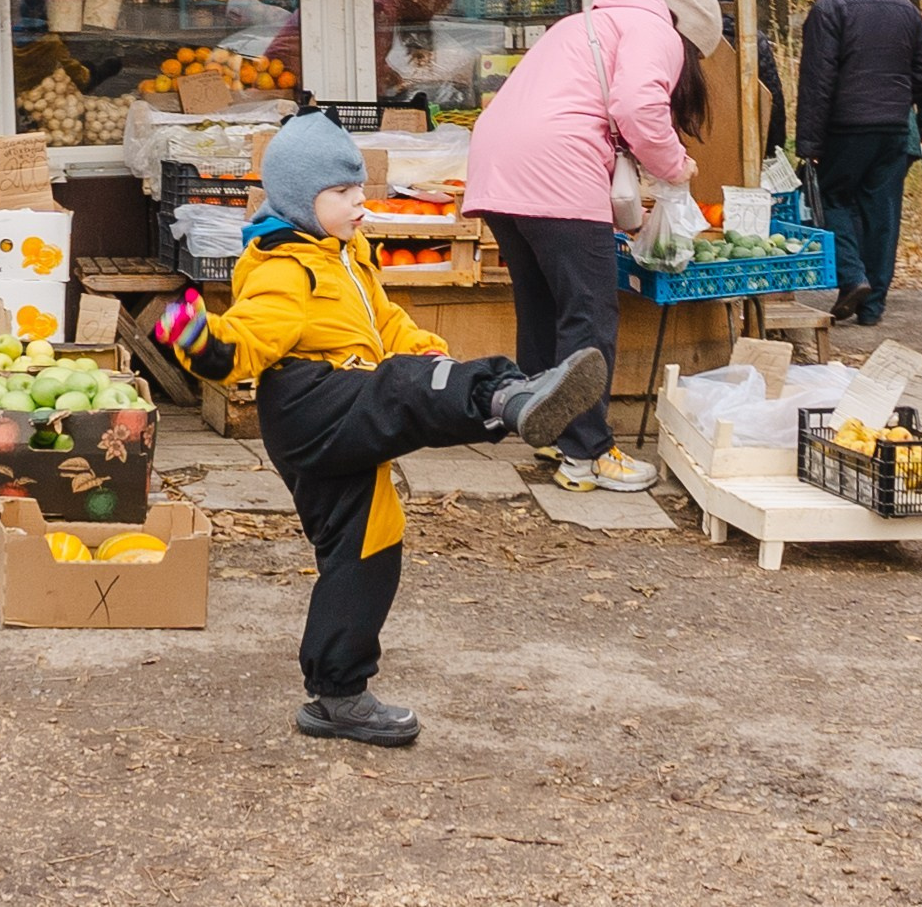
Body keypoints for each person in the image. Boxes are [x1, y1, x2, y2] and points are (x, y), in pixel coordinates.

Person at [155, 113, 609, 748]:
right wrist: (201, 340)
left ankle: (338, 695)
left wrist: (427, 350)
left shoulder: (348, 255)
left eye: (359, 190)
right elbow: (248, 338)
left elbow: (385, 322)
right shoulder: (286, 264)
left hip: (346, 407)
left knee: (368, 549)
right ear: (300, 200)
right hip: (311, 405)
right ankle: (507, 396)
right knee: (401, 387)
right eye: (342, 193)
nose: (359, 204)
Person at [463, 0, 722, 493]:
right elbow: (638, 105)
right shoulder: (657, 30)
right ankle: (588, 453)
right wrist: (675, 165)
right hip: (556, 167)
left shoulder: (586, 23)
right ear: (690, 38)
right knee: (589, 313)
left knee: (542, 306)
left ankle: (546, 431)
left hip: (496, 166)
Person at [796, 0, 922, 326]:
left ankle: (852, 277)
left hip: (846, 127)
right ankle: (873, 307)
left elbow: (817, 80)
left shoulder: (829, 8)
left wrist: (808, 144)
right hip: (895, 128)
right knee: (882, 213)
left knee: (831, 198)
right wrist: (908, 105)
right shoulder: (905, 7)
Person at [710, 0, 787, 157]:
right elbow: (772, 95)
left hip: (706, 134)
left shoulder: (700, 35)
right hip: (748, 135)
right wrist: (774, 147)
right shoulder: (754, 39)